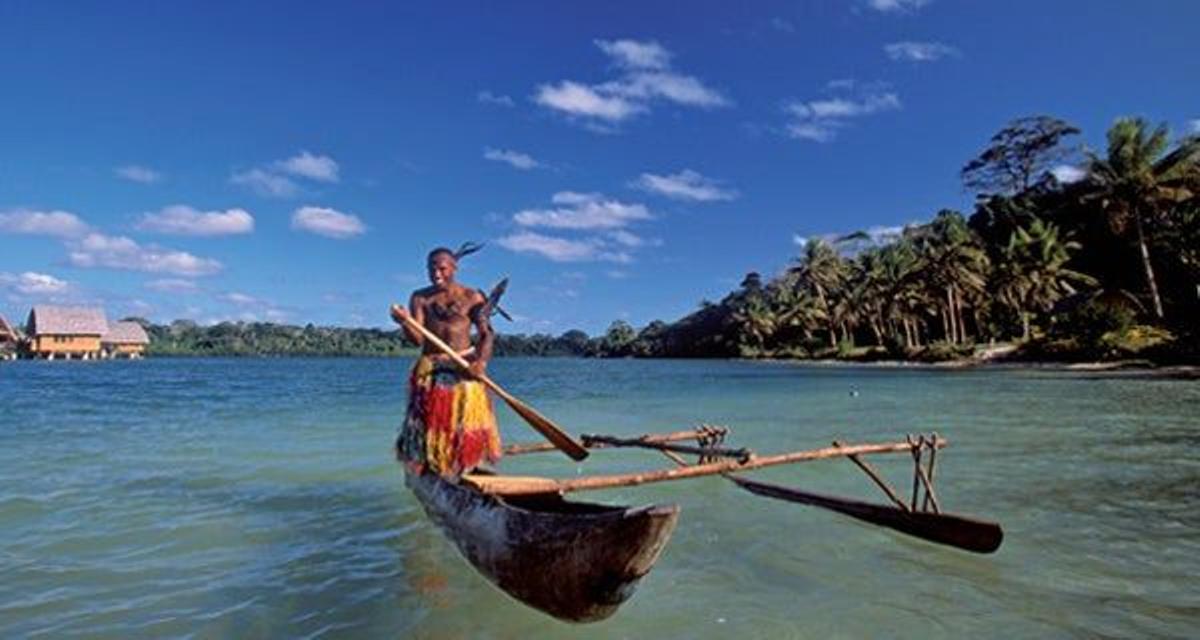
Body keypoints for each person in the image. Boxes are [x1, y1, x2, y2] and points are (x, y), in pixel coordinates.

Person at [392, 243, 501, 478]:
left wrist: (480, 363)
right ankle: (431, 466)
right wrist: (405, 322)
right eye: (431, 269)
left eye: (442, 268)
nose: (436, 274)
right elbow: (418, 339)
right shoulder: (420, 298)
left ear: (454, 268)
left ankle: (463, 469)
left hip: (464, 367)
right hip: (430, 367)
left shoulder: (472, 297)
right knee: (426, 426)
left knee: (463, 425)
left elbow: (486, 335)